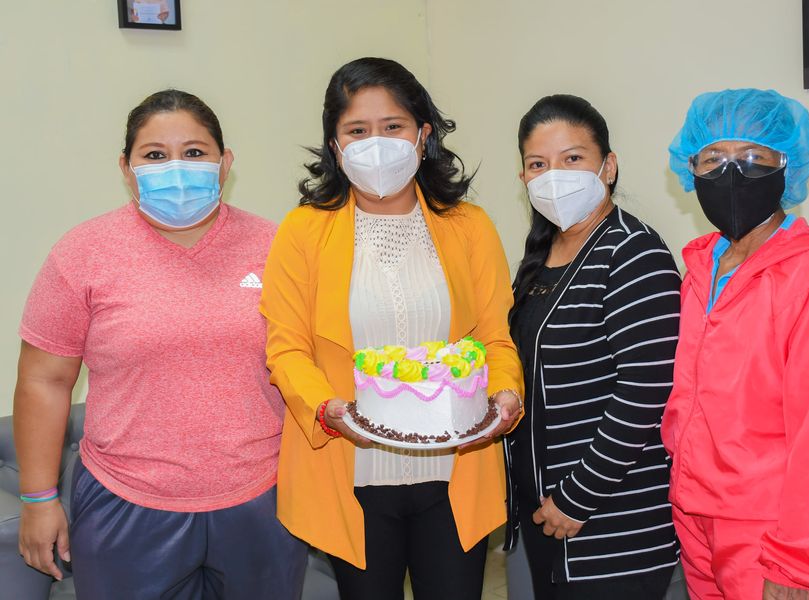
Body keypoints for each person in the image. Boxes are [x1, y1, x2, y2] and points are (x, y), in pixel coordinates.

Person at [14, 89, 307, 599]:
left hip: (263, 496)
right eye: (154, 155)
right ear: (126, 169)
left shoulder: (278, 247)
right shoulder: (82, 253)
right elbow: (44, 380)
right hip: (125, 502)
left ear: (225, 162)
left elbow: (308, 362)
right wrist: (38, 499)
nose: (177, 168)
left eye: (194, 152)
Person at [260, 57, 524, 600]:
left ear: (423, 135)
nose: (376, 144)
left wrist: (505, 392)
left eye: (393, 126)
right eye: (357, 130)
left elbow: (495, 338)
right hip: (349, 471)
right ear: (335, 145)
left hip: (456, 470)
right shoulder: (302, 231)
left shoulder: (470, 227)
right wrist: (326, 409)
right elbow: (287, 349)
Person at [663, 88, 809, 599]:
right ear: (691, 169)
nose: (731, 172)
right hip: (694, 510)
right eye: (713, 158)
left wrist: (799, 559)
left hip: (771, 528)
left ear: (787, 165)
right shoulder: (701, 268)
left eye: (753, 157)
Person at [504, 94, 682, 599]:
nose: (553, 175)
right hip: (546, 512)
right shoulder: (543, 253)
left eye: (572, 158)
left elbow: (645, 391)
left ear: (608, 166)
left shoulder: (633, 252)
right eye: (538, 164)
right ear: (523, 177)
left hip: (607, 520)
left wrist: (578, 497)